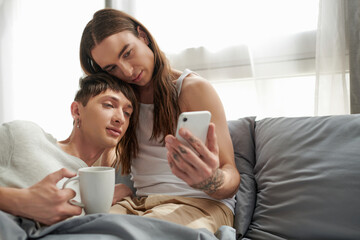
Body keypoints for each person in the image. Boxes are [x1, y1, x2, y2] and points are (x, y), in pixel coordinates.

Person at [79, 8, 240, 233]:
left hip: (199, 204)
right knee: (82, 230)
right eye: (112, 68)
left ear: (142, 36)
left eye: (127, 53)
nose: (126, 71)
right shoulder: (125, 103)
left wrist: (211, 180)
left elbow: (231, 175)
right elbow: (109, 155)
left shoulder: (192, 89)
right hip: (141, 204)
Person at [0, 72, 138, 225]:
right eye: (109, 105)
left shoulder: (111, 181)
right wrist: (21, 201)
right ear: (76, 111)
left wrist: (114, 191)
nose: (120, 119)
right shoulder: (25, 135)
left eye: (127, 113)